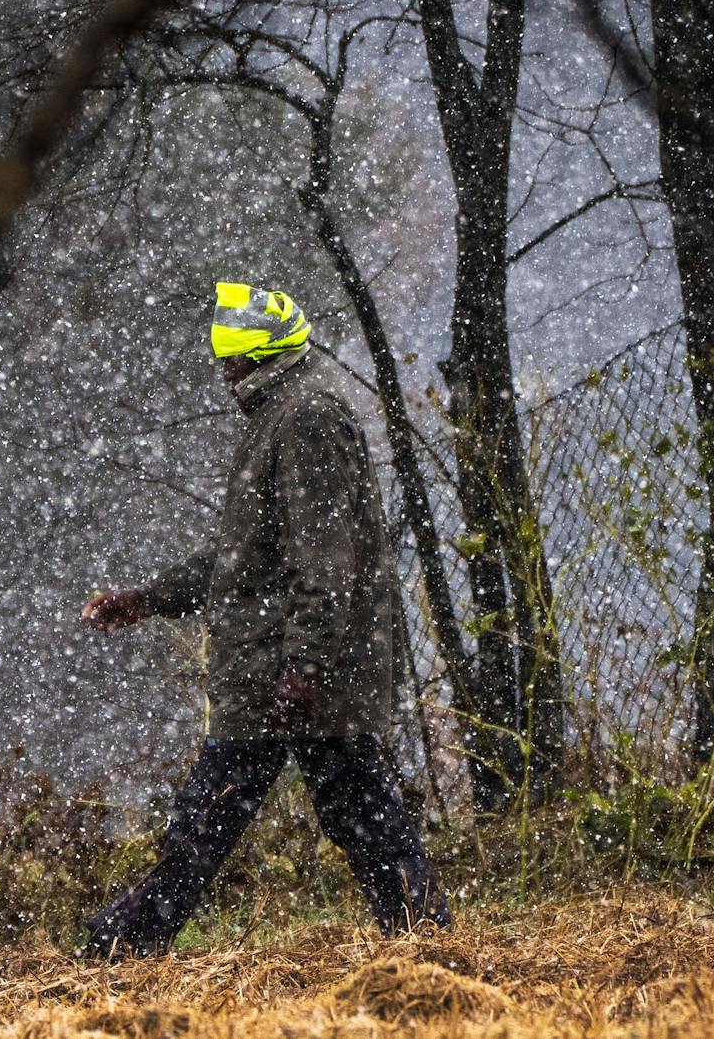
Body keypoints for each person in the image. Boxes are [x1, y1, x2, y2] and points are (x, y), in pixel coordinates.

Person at [79, 281, 451, 956]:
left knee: (218, 819)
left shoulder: (305, 419)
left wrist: (305, 668)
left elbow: (324, 560)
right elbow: (246, 556)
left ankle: (125, 944)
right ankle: (425, 939)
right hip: (282, 666)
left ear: (261, 357)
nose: (224, 374)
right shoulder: (282, 413)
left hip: (289, 670)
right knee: (352, 814)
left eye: (233, 361)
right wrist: (150, 598)